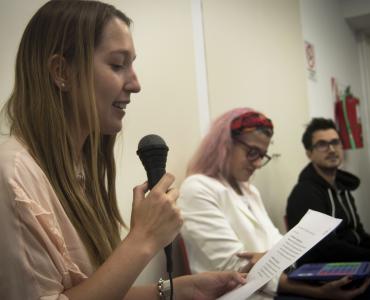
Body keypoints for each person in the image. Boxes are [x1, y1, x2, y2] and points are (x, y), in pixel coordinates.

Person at [0, 1, 247, 299]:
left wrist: (177, 290)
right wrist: (143, 239)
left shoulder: (76, 170)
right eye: (117, 65)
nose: (135, 84)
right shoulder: (13, 176)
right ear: (61, 71)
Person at [178, 108, 370, 300]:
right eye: (252, 152)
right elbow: (235, 271)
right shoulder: (196, 188)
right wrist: (318, 292)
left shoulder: (249, 190)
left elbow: (277, 244)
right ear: (225, 144)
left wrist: (269, 258)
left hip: (272, 285)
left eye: (262, 155)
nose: (258, 163)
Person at [286, 118, 370, 266]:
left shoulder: (342, 187)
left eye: (335, 142)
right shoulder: (304, 193)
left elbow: (358, 233)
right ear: (309, 153)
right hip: (325, 273)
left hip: (353, 264)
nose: (331, 149)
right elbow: (325, 248)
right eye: (322, 144)